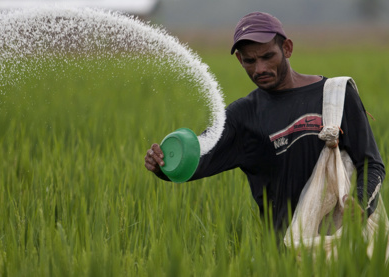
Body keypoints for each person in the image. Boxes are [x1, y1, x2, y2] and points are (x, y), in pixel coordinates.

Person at [144, 11, 385, 231]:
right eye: (249, 61)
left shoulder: (336, 95)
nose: (260, 69)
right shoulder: (243, 116)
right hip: (286, 252)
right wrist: (163, 165)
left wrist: (361, 204)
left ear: (287, 48)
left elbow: (371, 163)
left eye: (268, 56)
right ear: (240, 60)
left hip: (341, 241)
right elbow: (198, 159)